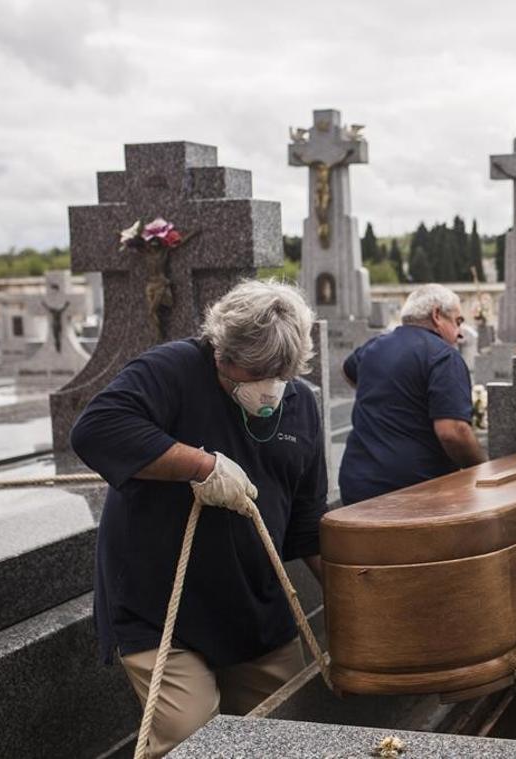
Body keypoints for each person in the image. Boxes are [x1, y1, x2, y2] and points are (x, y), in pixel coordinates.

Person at [71, 279, 328, 758]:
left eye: (278, 374)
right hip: (161, 605)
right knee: (191, 737)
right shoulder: (171, 370)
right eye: (249, 374)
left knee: (286, 733)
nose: (264, 387)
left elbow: (307, 521)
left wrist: (348, 593)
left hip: (255, 604)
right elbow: (96, 429)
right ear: (219, 351)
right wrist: (201, 465)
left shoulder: (301, 406)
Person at [338, 283, 486, 504]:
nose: (459, 335)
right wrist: (482, 468)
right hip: (414, 491)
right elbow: (453, 432)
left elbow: (347, 369)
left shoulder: (376, 346)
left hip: (357, 483)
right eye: (457, 322)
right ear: (437, 315)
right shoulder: (444, 356)